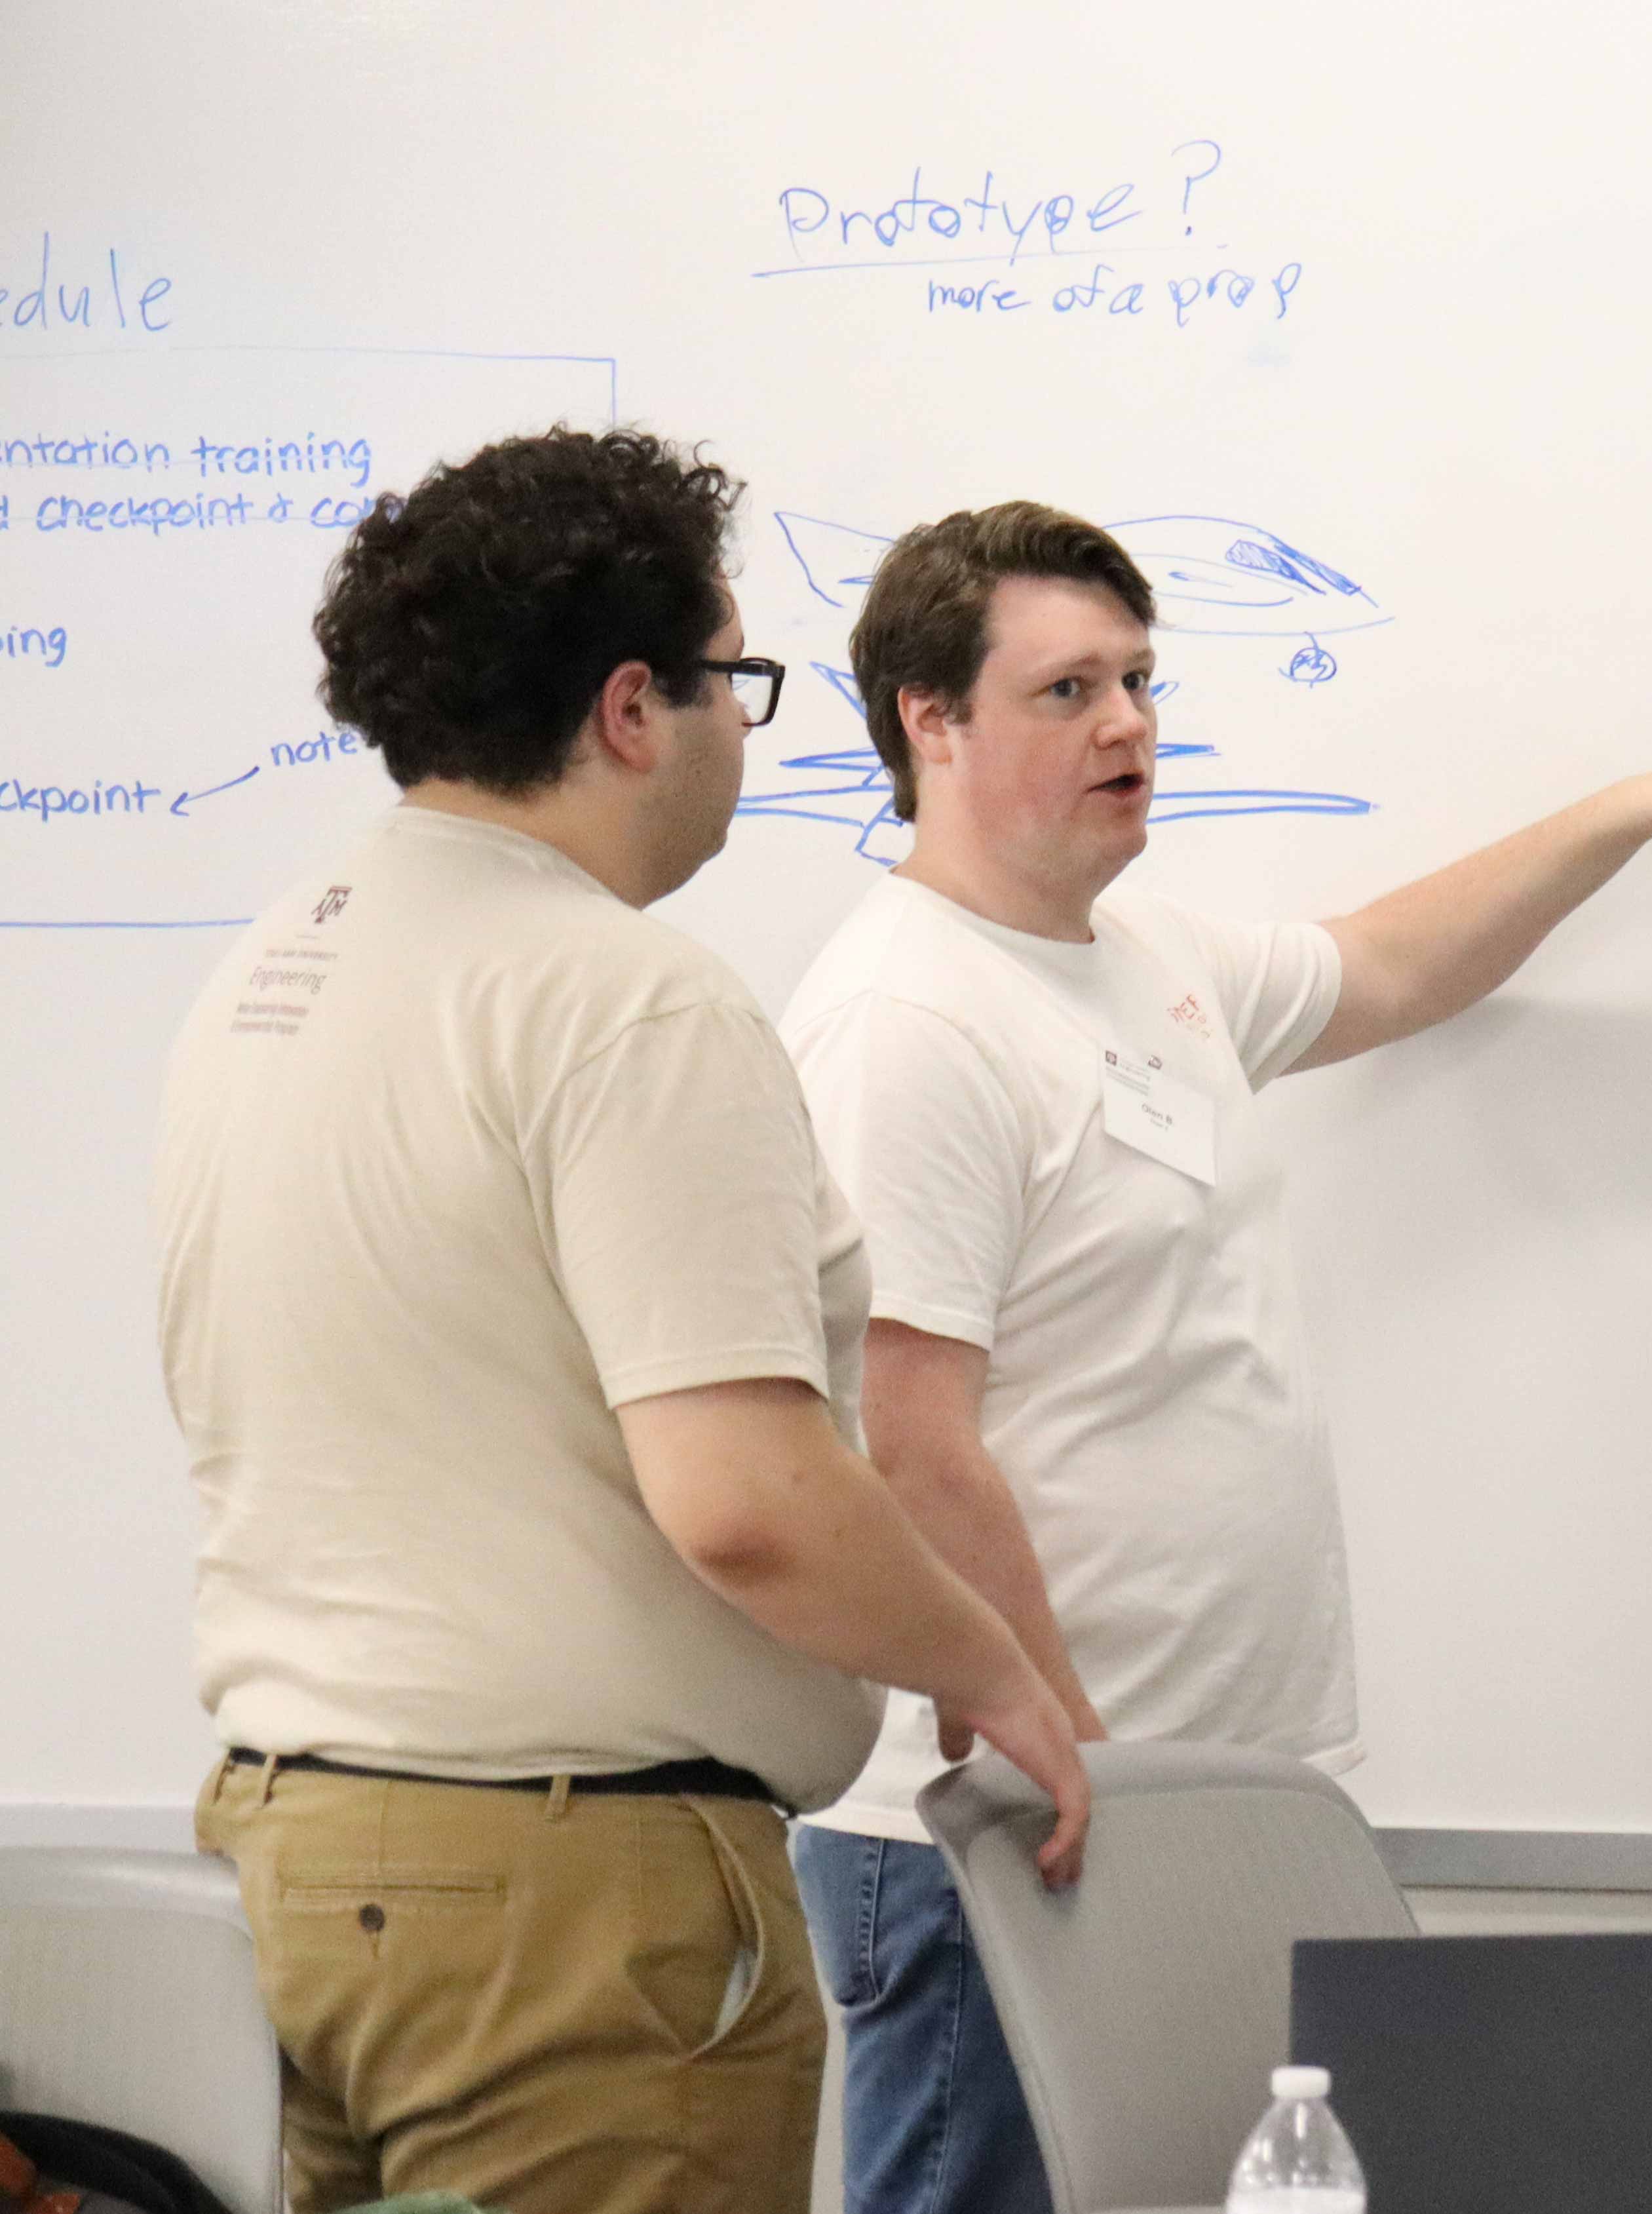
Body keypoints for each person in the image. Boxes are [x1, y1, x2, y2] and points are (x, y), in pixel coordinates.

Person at [779, 499, 1652, 2214]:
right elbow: (909, 1442)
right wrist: (1070, 1746)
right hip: (1015, 1820)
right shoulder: (909, 1020)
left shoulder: (1143, 962)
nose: (1129, 722)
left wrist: (1639, 808)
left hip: (1193, 1793)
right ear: (931, 719)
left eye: (1139, 679)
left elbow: (1395, 963)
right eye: (1068, 691)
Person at [156, 429, 1092, 2214]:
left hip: (279, 1859)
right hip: (560, 1912)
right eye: (737, 676)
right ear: (631, 709)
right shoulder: (623, 1000)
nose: (753, 724)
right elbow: (742, 1491)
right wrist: (998, 1674)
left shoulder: (267, 972)